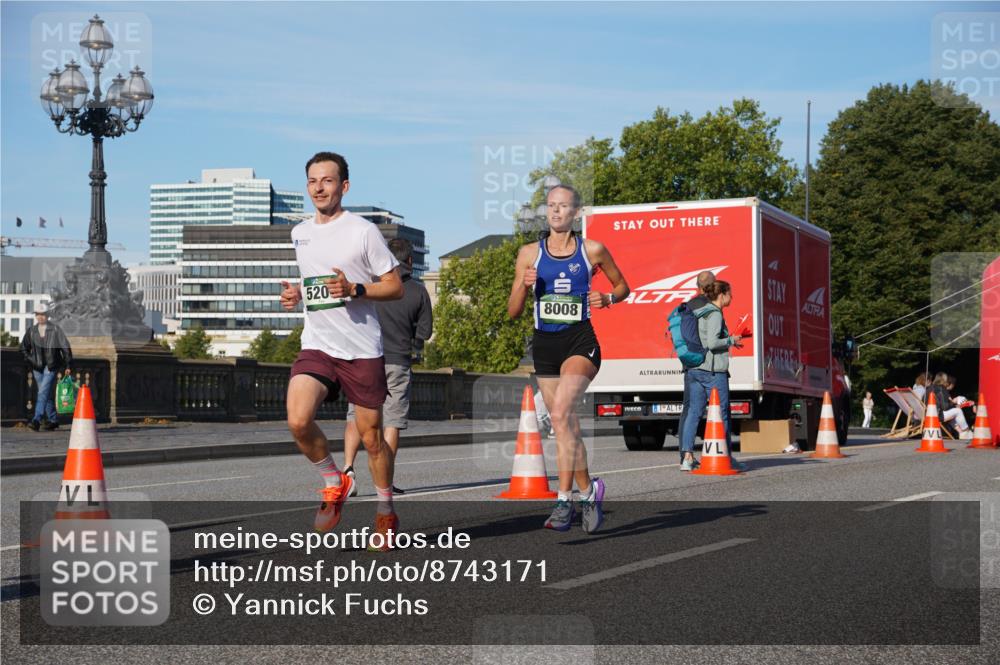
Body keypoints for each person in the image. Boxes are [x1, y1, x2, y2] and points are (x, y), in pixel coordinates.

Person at [280, 151, 404, 549]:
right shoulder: (299, 233)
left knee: (371, 440)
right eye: (313, 181)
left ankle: (385, 512)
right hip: (317, 343)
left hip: (361, 348)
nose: (319, 187)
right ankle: (335, 481)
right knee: (298, 420)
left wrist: (355, 289)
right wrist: (295, 294)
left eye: (328, 181)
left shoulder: (363, 231)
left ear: (343, 186)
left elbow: (395, 286)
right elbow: (313, 284)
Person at [507, 183, 629, 533]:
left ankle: (564, 502)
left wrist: (608, 299)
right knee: (565, 425)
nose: (556, 212)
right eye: (551, 206)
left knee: (560, 414)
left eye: (563, 207)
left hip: (581, 342)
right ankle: (589, 491)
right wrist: (522, 286)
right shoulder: (529, 253)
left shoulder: (592, 249)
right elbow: (513, 311)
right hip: (545, 345)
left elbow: (624, 286)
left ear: (576, 213)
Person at [342, 237, 433, 497]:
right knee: (392, 421)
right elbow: (425, 333)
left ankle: (347, 471)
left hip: (365, 358)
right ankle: (385, 480)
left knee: (354, 416)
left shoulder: (370, 286)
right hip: (398, 360)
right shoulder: (417, 291)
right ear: (410, 261)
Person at [679, 280, 747, 471]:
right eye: (730, 293)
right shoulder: (715, 314)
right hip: (713, 371)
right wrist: (732, 340)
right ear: (722, 294)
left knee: (693, 412)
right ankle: (726, 457)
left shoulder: (700, 311)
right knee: (723, 413)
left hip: (694, 369)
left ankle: (687, 457)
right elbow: (712, 343)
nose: (731, 297)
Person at [677, 270, 716, 469]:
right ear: (714, 286)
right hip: (704, 364)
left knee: (690, 409)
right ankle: (689, 455)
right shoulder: (709, 307)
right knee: (718, 409)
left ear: (697, 286)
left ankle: (686, 455)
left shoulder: (689, 305)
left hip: (690, 363)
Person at [20, 303, 72, 431]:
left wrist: (68, 364)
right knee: (46, 394)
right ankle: (53, 420)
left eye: (43, 314)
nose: (40, 317)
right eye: (38, 314)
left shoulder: (55, 329)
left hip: (51, 366)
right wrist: (31, 360)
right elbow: (22, 348)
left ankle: (36, 419)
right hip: (37, 368)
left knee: (42, 392)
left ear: (47, 316)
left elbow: (65, 347)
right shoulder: (31, 331)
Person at [927, 371, 972, 440]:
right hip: (937, 415)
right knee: (958, 411)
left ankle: (961, 433)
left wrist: (952, 404)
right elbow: (945, 406)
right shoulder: (941, 388)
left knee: (953, 413)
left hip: (928, 414)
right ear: (944, 380)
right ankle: (966, 432)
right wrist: (954, 403)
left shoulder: (929, 388)